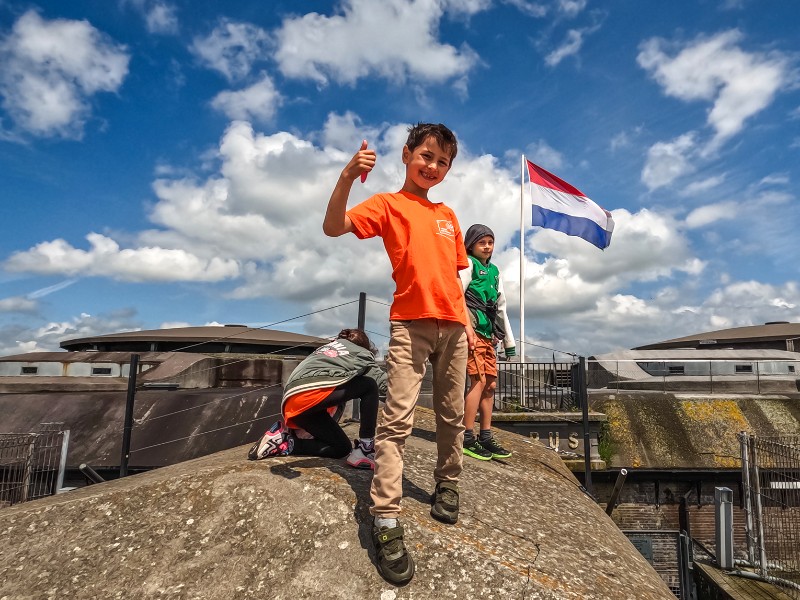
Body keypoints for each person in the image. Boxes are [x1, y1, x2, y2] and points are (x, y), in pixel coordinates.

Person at [323, 123, 476, 586]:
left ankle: (448, 482)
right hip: (409, 324)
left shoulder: (448, 214)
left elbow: (457, 273)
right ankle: (386, 518)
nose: (432, 166)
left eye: (442, 162)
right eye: (425, 156)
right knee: (397, 419)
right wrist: (347, 177)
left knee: (451, 414)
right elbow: (333, 227)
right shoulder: (388, 204)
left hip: (455, 327)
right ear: (407, 154)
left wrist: (467, 320)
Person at [248, 328, 385, 470]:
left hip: (293, 403)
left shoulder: (325, 350)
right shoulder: (360, 352)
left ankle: (286, 442)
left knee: (342, 448)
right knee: (369, 385)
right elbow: (383, 383)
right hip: (311, 394)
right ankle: (366, 448)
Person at [459, 224, 516, 461]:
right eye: (482, 242)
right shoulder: (467, 264)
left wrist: (509, 342)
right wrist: (466, 328)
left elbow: (501, 305)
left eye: (490, 242)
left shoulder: (495, 271)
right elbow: (457, 294)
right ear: (471, 245)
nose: (487, 246)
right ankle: (466, 435)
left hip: (488, 334)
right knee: (477, 381)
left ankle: (485, 435)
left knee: (490, 384)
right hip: (472, 331)